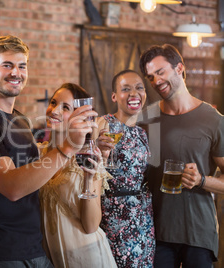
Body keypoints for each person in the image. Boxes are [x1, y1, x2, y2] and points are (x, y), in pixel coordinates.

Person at [0, 35, 96, 267]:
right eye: (7, 65)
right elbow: (12, 187)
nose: (16, 73)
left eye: (21, 66)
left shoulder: (20, 120)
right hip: (0, 251)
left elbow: (38, 175)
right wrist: (67, 148)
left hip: (35, 247)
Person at [138, 43, 224, 267]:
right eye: (150, 77)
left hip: (198, 232)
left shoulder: (213, 119)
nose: (156, 81)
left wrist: (201, 180)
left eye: (160, 72)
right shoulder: (146, 119)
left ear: (179, 68)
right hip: (156, 231)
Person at [39, 83, 117, 267]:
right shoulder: (38, 153)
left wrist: (89, 179)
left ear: (80, 116)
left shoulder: (87, 157)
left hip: (88, 259)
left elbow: (90, 226)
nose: (54, 110)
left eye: (65, 107)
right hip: (51, 261)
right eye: (53, 102)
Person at [97, 70, 155, 267]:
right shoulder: (104, 124)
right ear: (114, 96)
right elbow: (88, 163)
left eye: (139, 88)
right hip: (115, 214)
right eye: (126, 89)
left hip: (143, 214)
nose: (134, 94)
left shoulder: (141, 133)